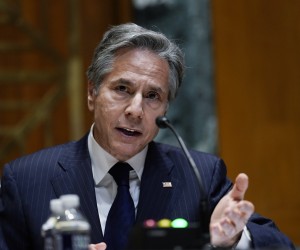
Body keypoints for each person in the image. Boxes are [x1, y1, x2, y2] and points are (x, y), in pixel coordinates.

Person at [0, 23, 294, 250]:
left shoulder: (199, 175)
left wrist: (234, 239)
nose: (136, 110)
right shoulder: (27, 180)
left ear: (166, 107)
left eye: (153, 95)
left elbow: (281, 244)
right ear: (92, 93)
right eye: (122, 89)